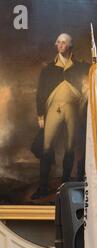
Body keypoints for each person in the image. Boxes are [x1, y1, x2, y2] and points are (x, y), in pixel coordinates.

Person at [31, 33, 89, 200]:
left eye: (64, 42)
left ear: (70, 46)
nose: (60, 45)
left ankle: (66, 187)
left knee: (70, 147)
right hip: (52, 109)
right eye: (58, 42)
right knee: (46, 147)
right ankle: (43, 186)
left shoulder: (80, 67)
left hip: (73, 109)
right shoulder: (48, 69)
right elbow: (41, 92)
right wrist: (40, 115)